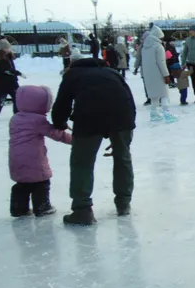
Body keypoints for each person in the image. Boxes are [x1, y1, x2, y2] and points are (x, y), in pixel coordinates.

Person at [51, 57, 136, 225]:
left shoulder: (73, 74)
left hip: (89, 118)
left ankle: (82, 210)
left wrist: (59, 123)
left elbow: (62, 103)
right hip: (122, 115)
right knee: (122, 158)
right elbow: (128, 98)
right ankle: (123, 202)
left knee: (82, 162)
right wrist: (124, 132)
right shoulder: (112, 72)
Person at [8, 85, 72, 217]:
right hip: (34, 158)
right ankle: (42, 206)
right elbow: (56, 134)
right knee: (41, 182)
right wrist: (75, 140)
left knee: (22, 183)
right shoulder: (38, 121)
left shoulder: (15, 118)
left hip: (15, 157)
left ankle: (18, 208)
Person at [141, 26, 176, 123]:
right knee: (164, 94)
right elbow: (161, 62)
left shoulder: (145, 47)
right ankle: (167, 113)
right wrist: (166, 75)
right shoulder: (158, 47)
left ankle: (154, 113)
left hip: (148, 74)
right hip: (158, 73)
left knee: (153, 95)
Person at [0, 39, 23, 120]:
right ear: (3, 49)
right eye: (7, 48)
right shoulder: (0, 59)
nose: (9, 49)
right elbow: (6, 70)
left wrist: (15, 75)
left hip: (12, 82)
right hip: (3, 82)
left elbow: (11, 68)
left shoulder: (9, 57)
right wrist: (18, 73)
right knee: (0, 99)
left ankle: (17, 113)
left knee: (17, 97)